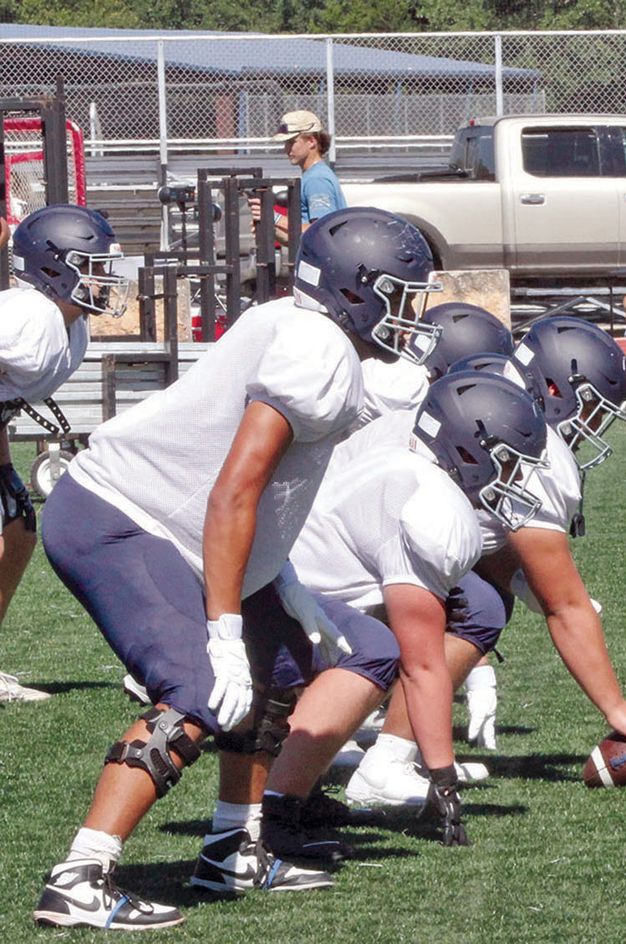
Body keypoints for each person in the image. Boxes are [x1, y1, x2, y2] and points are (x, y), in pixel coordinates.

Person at [32, 206, 442, 930]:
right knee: (197, 686)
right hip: (123, 515)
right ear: (356, 289)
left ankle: (231, 847)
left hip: (172, 523)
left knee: (280, 667)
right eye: (401, 295)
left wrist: (276, 575)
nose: (410, 315)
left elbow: (262, 488)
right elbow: (233, 490)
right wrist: (222, 630)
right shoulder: (317, 353)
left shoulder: (301, 325)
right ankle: (80, 876)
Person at [196, 369, 548, 870]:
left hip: (273, 575)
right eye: (508, 463)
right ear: (469, 451)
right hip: (270, 592)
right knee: (375, 651)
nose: (516, 479)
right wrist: (443, 777)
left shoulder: (409, 463)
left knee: (371, 635)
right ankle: (276, 813)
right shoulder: (434, 510)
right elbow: (422, 665)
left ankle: (298, 792)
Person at [346, 317, 626, 808]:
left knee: (479, 592)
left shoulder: (480, 382)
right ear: (555, 388)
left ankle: (351, 746)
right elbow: (564, 606)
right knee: (481, 608)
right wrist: (617, 708)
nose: (591, 425)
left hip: (340, 518)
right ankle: (389, 759)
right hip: (363, 548)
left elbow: (488, 545)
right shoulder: (536, 450)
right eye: (590, 408)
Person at [0, 205, 129, 704]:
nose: (106, 280)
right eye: (94, 267)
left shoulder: (68, 326)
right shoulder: (27, 317)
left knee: (16, 524)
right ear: (56, 268)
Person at [252, 110, 346, 245]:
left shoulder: (317, 180)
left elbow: (321, 231)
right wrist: (271, 229)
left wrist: (273, 217)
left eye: (291, 142)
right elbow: (303, 239)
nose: (286, 149)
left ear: (311, 142)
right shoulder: (313, 175)